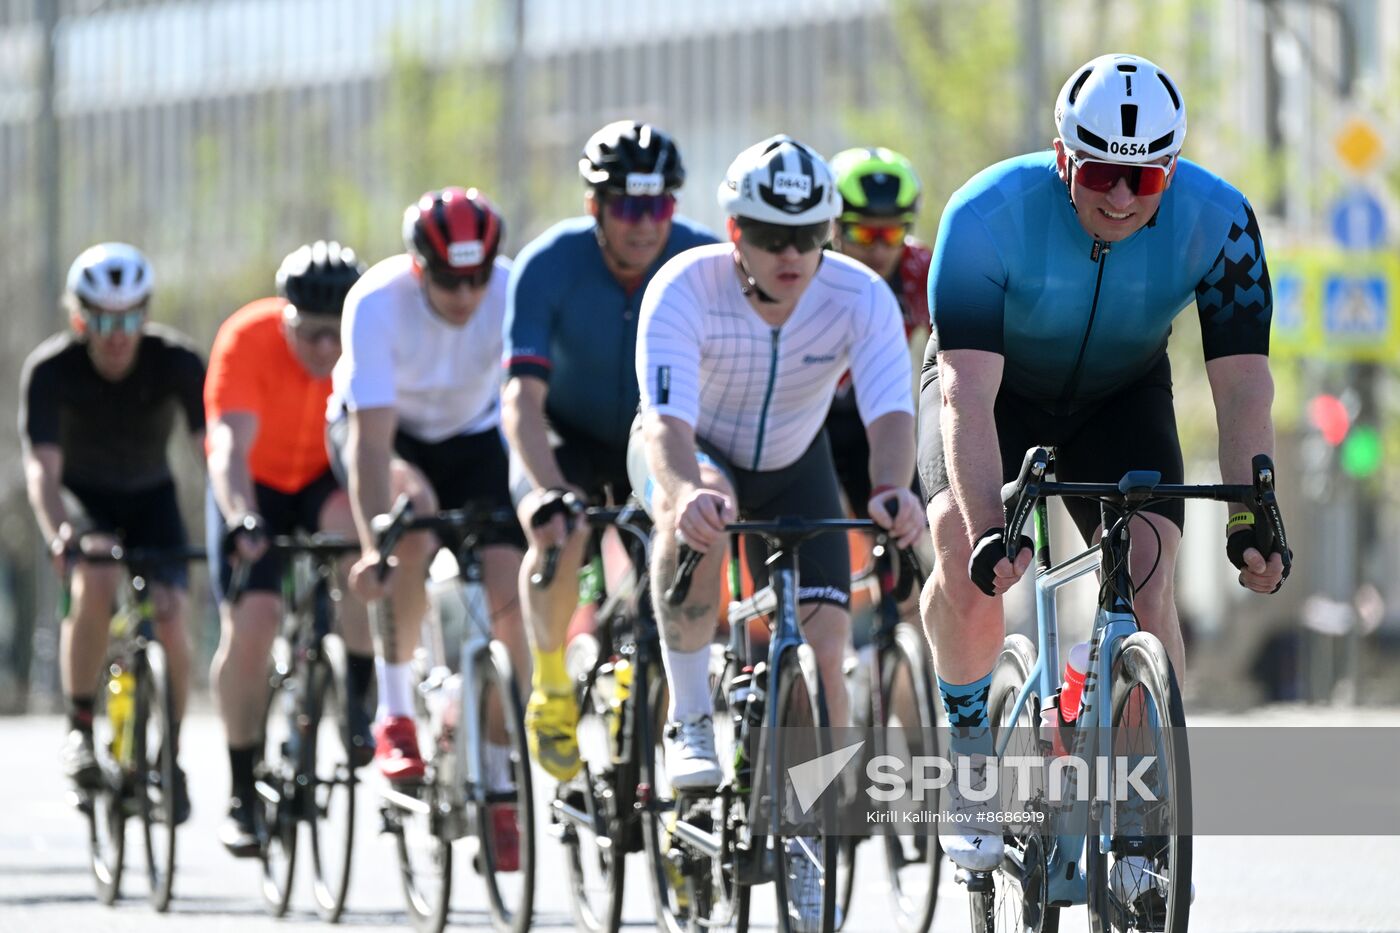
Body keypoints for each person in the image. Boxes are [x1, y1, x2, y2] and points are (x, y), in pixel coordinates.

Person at [918, 53, 1288, 879]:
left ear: (1171, 170)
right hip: (992, 391)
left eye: (1143, 179)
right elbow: (965, 396)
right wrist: (990, 529)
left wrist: (1251, 514)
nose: (1120, 197)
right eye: (1099, 174)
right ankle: (970, 754)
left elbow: (1243, 388)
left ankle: (1142, 812)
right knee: (963, 553)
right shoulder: (982, 214)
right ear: (1063, 157)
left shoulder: (1222, 221)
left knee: (1151, 577)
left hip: (1120, 397)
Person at [502, 120, 716, 781]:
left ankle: (653, 696)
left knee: (682, 541)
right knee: (559, 530)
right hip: (563, 437)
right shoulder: (548, 264)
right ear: (594, 205)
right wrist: (546, 488)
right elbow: (521, 400)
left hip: (653, 435)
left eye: (659, 206)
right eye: (627, 207)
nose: (644, 225)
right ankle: (550, 686)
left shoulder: (700, 259)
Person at [330, 187, 527, 867]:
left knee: (510, 591)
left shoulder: (512, 289)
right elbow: (369, 442)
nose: (466, 295)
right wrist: (373, 547)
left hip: (472, 436)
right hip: (389, 436)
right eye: (449, 280)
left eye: (477, 278)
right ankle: (394, 712)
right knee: (409, 524)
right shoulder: (377, 301)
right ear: (420, 268)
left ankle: (497, 775)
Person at [20, 242, 205, 822]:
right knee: (95, 576)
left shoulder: (176, 361)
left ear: (145, 316)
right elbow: (42, 470)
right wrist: (60, 532)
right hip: (85, 499)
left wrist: (235, 517)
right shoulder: (50, 371)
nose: (117, 336)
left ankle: (170, 755)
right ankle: (80, 725)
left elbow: (209, 449)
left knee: (172, 617)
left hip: (153, 498)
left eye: (128, 320)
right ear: (80, 319)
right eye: (102, 321)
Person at [204, 240, 373, 856]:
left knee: (362, 551)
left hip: (324, 479)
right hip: (258, 487)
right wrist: (240, 517)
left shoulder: (368, 339)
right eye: (312, 334)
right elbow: (228, 447)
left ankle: (358, 698)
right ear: (286, 319)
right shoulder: (247, 339)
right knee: (254, 623)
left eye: (337, 335)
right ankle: (240, 789)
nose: (326, 350)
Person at [826, 146, 932, 514]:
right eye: (863, 232)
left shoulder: (919, 268)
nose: (879, 250)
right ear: (833, 226)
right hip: (809, 416)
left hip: (876, 416)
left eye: (891, 233)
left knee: (906, 525)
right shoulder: (807, 266)